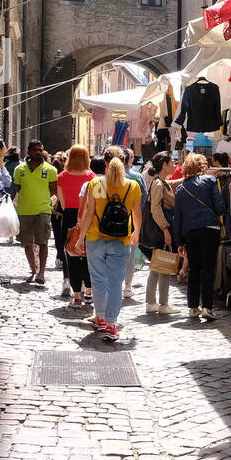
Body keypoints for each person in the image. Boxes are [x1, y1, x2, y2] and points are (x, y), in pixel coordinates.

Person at [73, 152, 142, 343]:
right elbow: (137, 214)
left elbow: (89, 213)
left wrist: (81, 237)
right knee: (115, 282)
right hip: (121, 239)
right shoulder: (132, 186)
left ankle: (100, 316)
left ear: (106, 168)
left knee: (98, 280)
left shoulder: (97, 184)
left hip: (96, 237)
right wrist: (136, 233)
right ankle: (111, 323)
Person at [172, 152, 226, 321]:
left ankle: (193, 307)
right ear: (203, 166)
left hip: (189, 231)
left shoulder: (181, 188)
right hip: (209, 228)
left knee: (194, 268)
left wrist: (179, 242)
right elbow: (219, 207)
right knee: (208, 268)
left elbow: (177, 217)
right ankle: (207, 307)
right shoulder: (210, 181)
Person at [12, 139, 58, 286]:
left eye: (41, 149)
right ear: (29, 152)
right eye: (36, 150)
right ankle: (33, 270)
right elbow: (17, 189)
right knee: (27, 243)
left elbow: (53, 189)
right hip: (24, 210)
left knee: (43, 241)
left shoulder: (50, 170)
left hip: (43, 209)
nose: (39, 152)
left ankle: (41, 273)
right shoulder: (19, 170)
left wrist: (46, 201)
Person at [105, 145, 147, 304]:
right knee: (128, 257)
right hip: (128, 224)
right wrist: (138, 226)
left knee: (108, 258)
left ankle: (109, 289)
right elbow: (142, 201)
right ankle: (127, 286)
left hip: (104, 226)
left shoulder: (99, 182)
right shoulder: (135, 179)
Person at [141, 151, 180, 316]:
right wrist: (165, 229)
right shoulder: (158, 184)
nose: (174, 165)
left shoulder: (161, 182)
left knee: (160, 266)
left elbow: (170, 185)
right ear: (164, 165)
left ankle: (158, 303)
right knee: (160, 266)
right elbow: (155, 208)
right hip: (160, 230)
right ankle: (157, 303)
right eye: (172, 162)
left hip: (161, 230)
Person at [57, 145, 95, 308]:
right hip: (86, 217)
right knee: (86, 254)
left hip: (69, 216)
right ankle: (88, 290)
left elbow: (62, 203)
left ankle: (73, 288)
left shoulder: (62, 176)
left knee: (70, 251)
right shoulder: (92, 176)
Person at [50, 150, 70, 296]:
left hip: (61, 211)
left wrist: (58, 209)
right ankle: (83, 287)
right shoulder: (89, 176)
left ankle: (67, 279)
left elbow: (56, 195)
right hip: (73, 213)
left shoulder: (61, 177)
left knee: (61, 240)